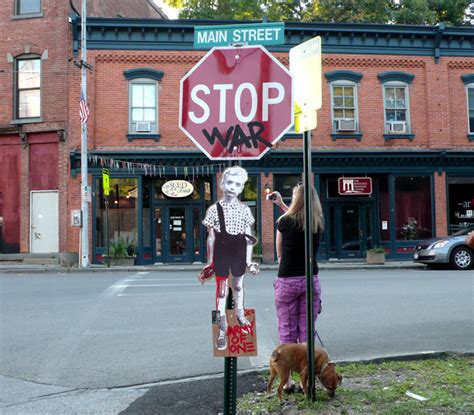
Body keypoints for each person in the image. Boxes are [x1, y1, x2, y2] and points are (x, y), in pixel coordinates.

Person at [268, 183, 324, 390]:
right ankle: (305, 380)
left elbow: (280, 253)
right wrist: (282, 204)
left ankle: (288, 381)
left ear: (297, 199)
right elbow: (300, 222)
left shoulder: (283, 222)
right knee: (307, 331)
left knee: (287, 331)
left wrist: (283, 207)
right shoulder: (317, 222)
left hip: (288, 280)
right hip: (311, 279)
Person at [202, 166, 259, 351]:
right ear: (222, 184)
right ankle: (221, 327)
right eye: (229, 182)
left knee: (238, 286)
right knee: (220, 291)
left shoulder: (244, 210)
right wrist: (210, 261)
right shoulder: (214, 210)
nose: (232, 187)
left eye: (237, 184)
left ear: (242, 188)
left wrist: (249, 261)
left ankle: (240, 314)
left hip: (239, 250)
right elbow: (211, 238)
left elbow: (249, 238)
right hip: (221, 251)